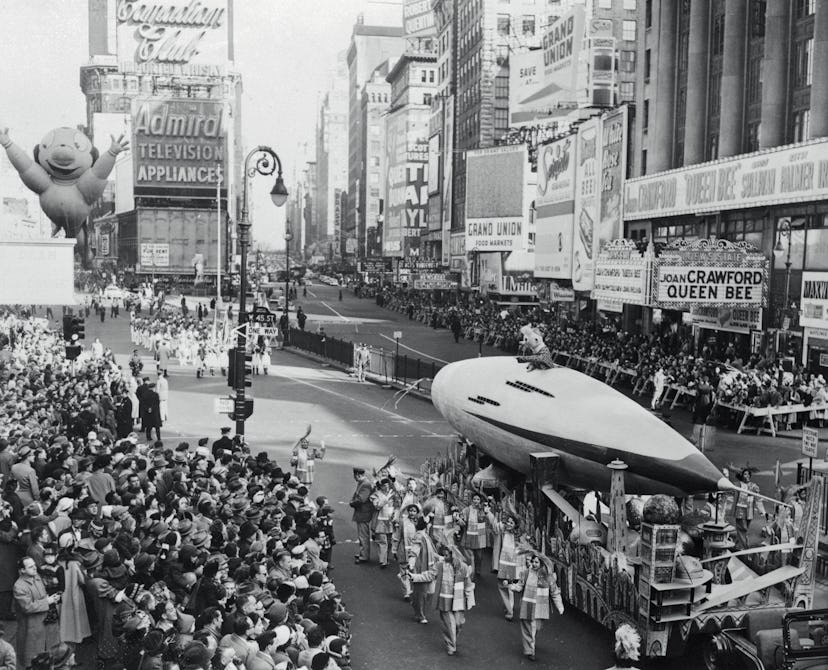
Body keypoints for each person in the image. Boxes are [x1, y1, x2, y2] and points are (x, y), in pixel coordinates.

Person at [411, 544, 474, 657]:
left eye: (447, 554)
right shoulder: (439, 565)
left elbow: (468, 583)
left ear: (453, 554)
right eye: (444, 554)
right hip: (444, 600)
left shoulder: (463, 567)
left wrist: (469, 597)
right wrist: (414, 577)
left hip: (459, 601)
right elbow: (429, 575)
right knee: (450, 624)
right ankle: (451, 645)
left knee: (459, 623)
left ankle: (452, 637)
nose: (445, 556)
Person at [509, 551, 564, 661]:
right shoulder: (526, 573)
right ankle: (530, 650)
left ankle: (531, 642)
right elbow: (520, 586)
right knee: (529, 628)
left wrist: (560, 606)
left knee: (536, 627)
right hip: (527, 606)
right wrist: (512, 587)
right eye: (532, 562)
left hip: (541, 608)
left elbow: (555, 592)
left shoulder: (548, 577)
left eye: (536, 562)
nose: (533, 564)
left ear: (542, 564)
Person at [14, 556, 58, 669]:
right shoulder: (19, 586)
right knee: (33, 657)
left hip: (44, 623)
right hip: (32, 627)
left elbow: (42, 595)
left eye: (34, 565)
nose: (35, 568)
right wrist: (47, 601)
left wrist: (50, 598)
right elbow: (27, 607)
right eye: (30, 567)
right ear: (22, 570)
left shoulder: (36, 577)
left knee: (46, 653)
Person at [733, 468, 766, 549]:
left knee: (745, 529)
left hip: (749, 511)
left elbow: (757, 499)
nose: (747, 476)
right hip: (740, 510)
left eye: (748, 474)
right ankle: (743, 546)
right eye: (745, 474)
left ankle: (738, 544)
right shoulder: (738, 485)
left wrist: (761, 510)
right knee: (742, 528)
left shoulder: (754, 486)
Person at [350, 468, 374, 564]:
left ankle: (364, 556)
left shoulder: (365, 484)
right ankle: (362, 553)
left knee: (363, 535)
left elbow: (361, 499)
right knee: (362, 535)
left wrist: (352, 503)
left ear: (357, 475)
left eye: (354, 476)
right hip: (362, 512)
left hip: (363, 512)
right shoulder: (363, 483)